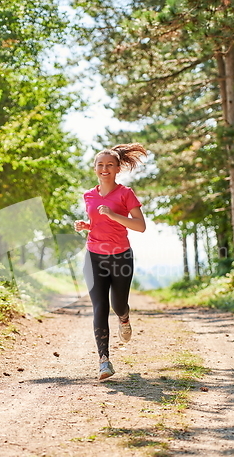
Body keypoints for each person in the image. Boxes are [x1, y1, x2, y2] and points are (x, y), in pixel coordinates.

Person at [74, 143, 147, 380]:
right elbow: (97, 222)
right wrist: (87, 225)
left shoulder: (126, 194)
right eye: (100, 165)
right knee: (99, 307)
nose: (104, 169)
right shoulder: (89, 195)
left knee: (118, 304)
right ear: (95, 168)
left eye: (109, 165)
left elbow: (140, 226)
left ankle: (124, 318)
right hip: (94, 255)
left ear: (117, 169)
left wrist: (113, 214)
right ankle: (104, 361)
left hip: (120, 256)